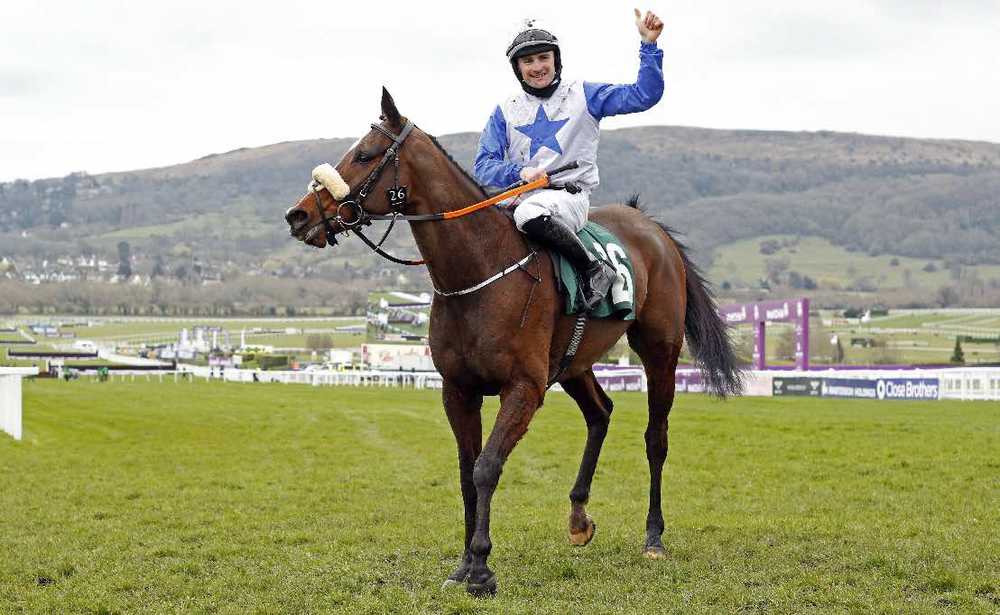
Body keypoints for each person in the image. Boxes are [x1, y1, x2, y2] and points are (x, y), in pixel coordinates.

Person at [474, 9, 665, 311]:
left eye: (543, 58)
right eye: (528, 61)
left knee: (527, 214)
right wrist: (520, 171)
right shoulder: (505, 110)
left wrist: (649, 46)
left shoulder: (584, 95)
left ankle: (595, 270)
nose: (537, 67)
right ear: (518, 68)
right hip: (515, 198)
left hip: (567, 199)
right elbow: (483, 166)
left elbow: (644, 95)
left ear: (555, 60)